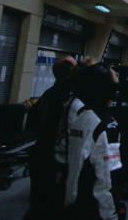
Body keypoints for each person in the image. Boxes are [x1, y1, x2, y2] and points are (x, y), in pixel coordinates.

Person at [63, 62, 125, 220]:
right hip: (96, 207)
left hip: (76, 198)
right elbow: (107, 177)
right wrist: (113, 213)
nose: (118, 78)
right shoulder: (106, 125)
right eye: (115, 76)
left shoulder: (82, 116)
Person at [25, 55, 76, 220]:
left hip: (41, 159)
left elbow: (33, 124)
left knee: (39, 203)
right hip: (56, 163)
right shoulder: (72, 99)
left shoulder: (49, 94)